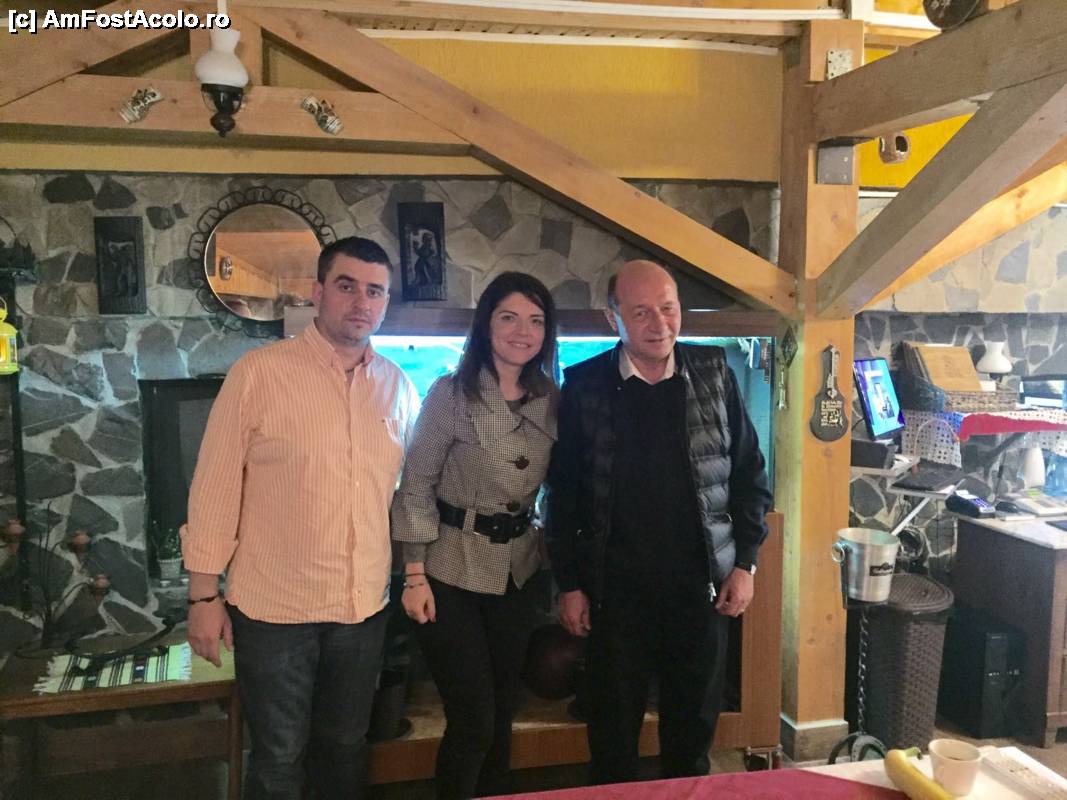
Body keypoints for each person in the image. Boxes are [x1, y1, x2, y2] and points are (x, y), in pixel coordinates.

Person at [182, 237, 420, 800]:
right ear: (317, 292)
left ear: (385, 304)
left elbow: (408, 495)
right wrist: (203, 596)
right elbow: (214, 487)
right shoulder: (258, 375)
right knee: (279, 760)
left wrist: (415, 572)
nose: (361, 302)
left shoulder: (398, 387)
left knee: (345, 749)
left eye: (375, 291)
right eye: (347, 286)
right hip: (275, 613)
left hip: (362, 609)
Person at [545, 259, 772, 785]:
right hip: (614, 596)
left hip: (699, 593)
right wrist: (570, 584)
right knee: (611, 739)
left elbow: (750, 477)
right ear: (613, 318)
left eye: (668, 309)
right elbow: (565, 495)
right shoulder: (585, 385)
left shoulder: (714, 374)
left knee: (691, 739)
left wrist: (746, 565)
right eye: (641, 312)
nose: (659, 324)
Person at [391, 271, 560, 800]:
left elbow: (560, 482)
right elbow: (416, 483)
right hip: (449, 573)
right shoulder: (450, 393)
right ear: (486, 324)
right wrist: (413, 574)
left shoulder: (551, 397)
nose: (522, 331)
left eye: (535, 320)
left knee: (504, 710)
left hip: (518, 572)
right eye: (509, 317)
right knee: (473, 719)